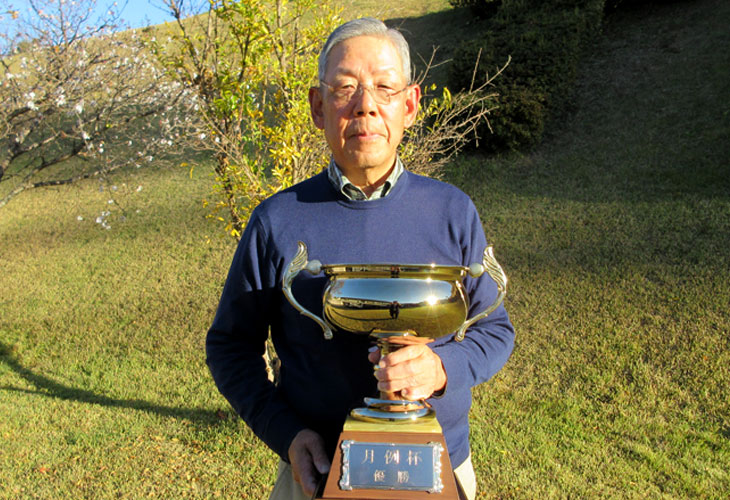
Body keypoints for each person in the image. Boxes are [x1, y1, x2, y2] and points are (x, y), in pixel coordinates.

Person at [206, 17, 515, 500]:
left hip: (440, 468)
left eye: (384, 88)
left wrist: (442, 367)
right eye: (345, 88)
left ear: (410, 105)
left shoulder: (452, 210)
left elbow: (496, 329)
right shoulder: (277, 221)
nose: (366, 105)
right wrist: (287, 434)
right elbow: (230, 346)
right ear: (318, 106)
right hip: (317, 472)